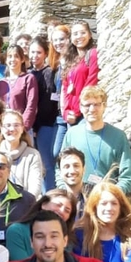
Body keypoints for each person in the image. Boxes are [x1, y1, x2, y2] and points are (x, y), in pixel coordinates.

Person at [59, 86, 131, 194]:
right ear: (80, 107)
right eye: (87, 105)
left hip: (105, 202)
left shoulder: (118, 136)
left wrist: (110, 196)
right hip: (77, 199)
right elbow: (60, 168)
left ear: (104, 106)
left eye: (96, 104)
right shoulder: (72, 134)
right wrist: (66, 192)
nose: (92, 109)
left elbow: (127, 177)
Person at [0, 109, 44, 197]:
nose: (12, 129)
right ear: (1, 128)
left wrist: (24, 204)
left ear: (22, 128)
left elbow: (35, 188)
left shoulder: (32, 155)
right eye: (7, 125)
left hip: (24, 205)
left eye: (16, 125)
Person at [5, 189, 76, 261]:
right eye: (58, 205)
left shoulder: (66, 238)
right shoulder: (17, 231)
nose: (61, 211)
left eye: (67, 211)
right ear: (44, 204)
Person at [29, 36, 61, 190]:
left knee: (46, 163)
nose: (35, 56)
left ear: (45, 54)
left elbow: (48, 103)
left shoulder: (49, 72)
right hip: (32, 125)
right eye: (32, 52)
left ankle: (49, 193)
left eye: (38, 53)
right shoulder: (29, 73)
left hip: (44, 125)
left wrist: (37, 126)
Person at [57, 20, 98, 140]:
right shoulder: (71, 60)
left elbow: (91, 83)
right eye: (75, 34)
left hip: (85, 112)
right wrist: (66, 112)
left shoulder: (93, 54)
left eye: (82, 32)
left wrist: (75, 111)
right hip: (72, 115)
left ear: (90, 35)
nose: (79, 37)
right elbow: (66, 89)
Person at [49, 25, 74, 162]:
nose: (58, 43)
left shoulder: (74, 61)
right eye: (55, 40)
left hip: (72, 114)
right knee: (56, 153)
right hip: (60, 116)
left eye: (61, 39)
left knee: (72, 152)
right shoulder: (56, 64)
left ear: (69, 39)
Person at [3, 44, 38, 133]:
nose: (12, 59)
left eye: (16, 56)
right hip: (5, 128)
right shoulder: (1, 83)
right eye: (10, 56)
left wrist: (23, 127)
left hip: (22, 128)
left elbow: (31, 105)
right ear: (6, 60)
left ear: (22, 59)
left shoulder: (28, 78)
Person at [57, 147, 88, 220]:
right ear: (60, 172)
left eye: (76, 166)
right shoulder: (55, 201)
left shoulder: (95, 196)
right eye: (66, 167)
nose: (72, 171)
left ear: (84, 169)